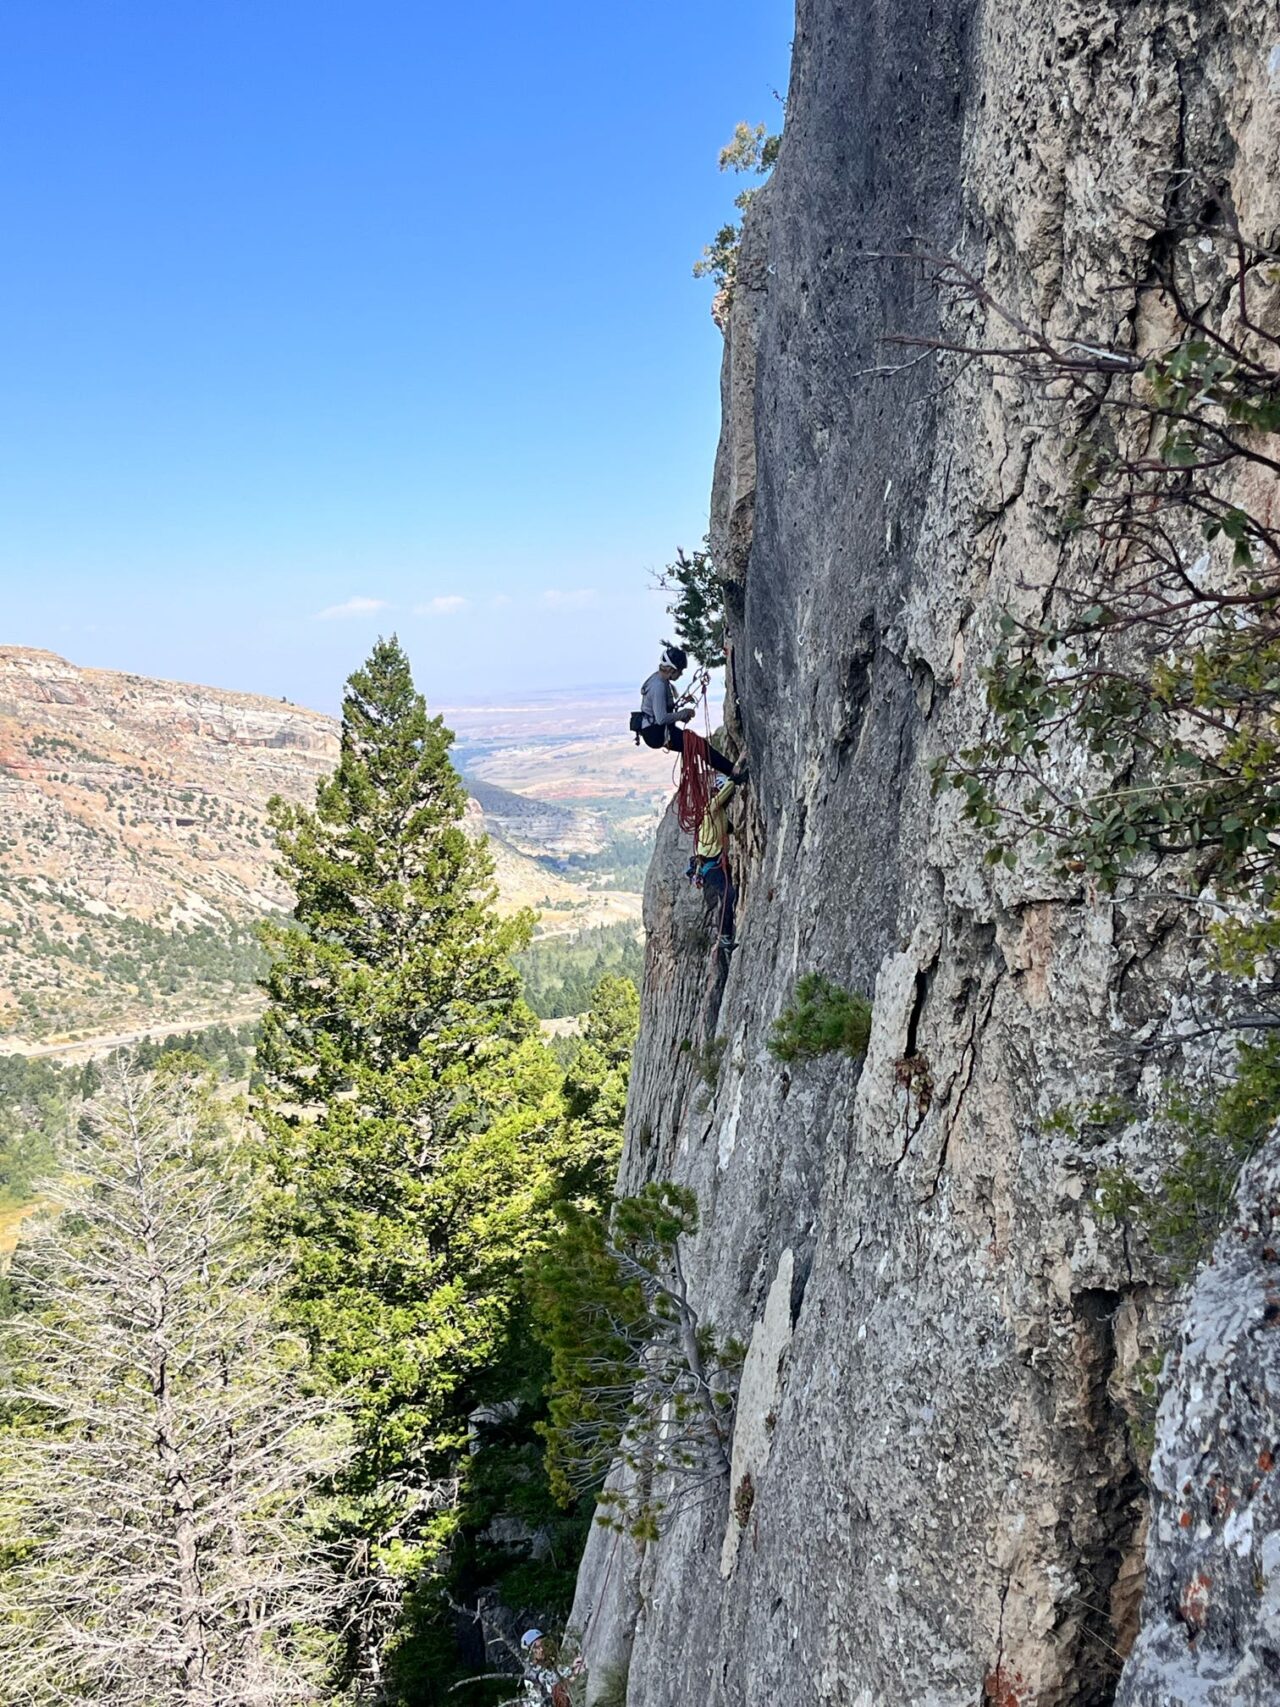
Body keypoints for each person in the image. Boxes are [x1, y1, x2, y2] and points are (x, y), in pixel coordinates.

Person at [637, 643, 745, 783]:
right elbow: (661, 718)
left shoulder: (659, 680)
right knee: (699, 745)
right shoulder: (658, 686)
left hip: (655, 730)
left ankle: (728, 771)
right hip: (656, 732)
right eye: (680, 671)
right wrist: (683, 713)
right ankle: (734, 772)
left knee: (698, 745)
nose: (681, 674)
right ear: (672, 670)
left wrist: (680, 712)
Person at [694, 776, 738, 948]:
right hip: (709, 865)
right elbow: (719, 800)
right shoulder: (710, 810)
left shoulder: (720, 815)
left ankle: (725, 936)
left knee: (727, 894)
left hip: (712, 864)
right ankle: (724, 936)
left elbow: (729, 828)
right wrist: (733, 779)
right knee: (728, 893)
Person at [519, 1628, 582, 1706]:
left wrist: (572, 1667)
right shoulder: (533, 1675)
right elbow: (553, 1690)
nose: (542, 1649)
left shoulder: (548, 1661)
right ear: (530, 1652)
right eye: (536, 1647)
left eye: (543, 1644)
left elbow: (560, 1674)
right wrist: (572, 1678)